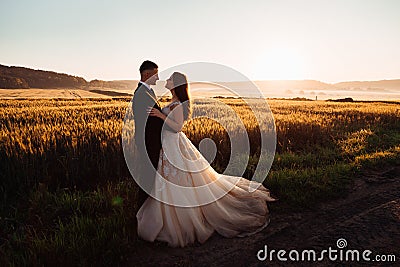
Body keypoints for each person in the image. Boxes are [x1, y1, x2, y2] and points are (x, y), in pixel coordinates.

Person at [136, 72, 276, 247]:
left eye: (170, 79)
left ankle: (184, 218)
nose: (167, 80)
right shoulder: (171, 102)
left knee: (179, 180)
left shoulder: (178, 105)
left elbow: (178, 127)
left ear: (176, 84)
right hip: (167, 145)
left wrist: (161, 116)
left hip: (173, 144)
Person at [132, 60, 163, 209]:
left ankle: (147, 212)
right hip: (148, 142)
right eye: (155, 75)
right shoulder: (141, 94)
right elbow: (151, 122)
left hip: (152, 142)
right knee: (147, 178)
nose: (158, 78)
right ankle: (142, 213)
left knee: (151, 177)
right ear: (147, 74)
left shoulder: (148, 91)